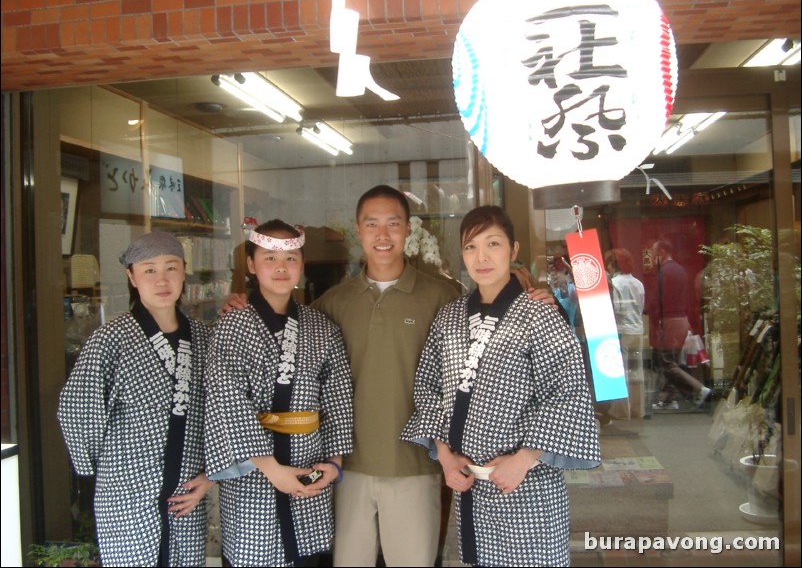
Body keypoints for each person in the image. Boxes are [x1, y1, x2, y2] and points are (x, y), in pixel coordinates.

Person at [221, 186, 555, 566]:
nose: (383, 235)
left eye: (393, 224)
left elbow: (452, 379)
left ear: (408, 230)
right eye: (372, 224)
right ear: (357, 231)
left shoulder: (444, 299)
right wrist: (242, 301)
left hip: (417, 466)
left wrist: (532, 296)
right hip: (346, 469)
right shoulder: (329, 305)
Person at [400, 205, 600, 567]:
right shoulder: (449, 316)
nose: (482, 257)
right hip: (469, 485)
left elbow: (568, 391)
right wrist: (445, 457)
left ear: (514, 249)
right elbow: (428, 386)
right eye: (471, 247)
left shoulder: (539, 315)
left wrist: (523, 460)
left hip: (525, 484)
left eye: (493, 243)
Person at [57, 232, 214, 567]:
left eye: (170, 268)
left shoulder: (203, 336)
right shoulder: (110, 339)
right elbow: (75, 410)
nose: (161, 280)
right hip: (126, 494)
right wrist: (109, 471)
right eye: (149, 270)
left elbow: (222, 411)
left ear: (184, 271)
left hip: (187, 492)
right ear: (131, 276)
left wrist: (211, 473)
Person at [204, 219, 354, 567]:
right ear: (252, 265)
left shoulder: (322, 327)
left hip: (309, 464)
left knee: (306, 555)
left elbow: (338, 399)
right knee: (255, 554)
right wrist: (272, 469)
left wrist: (333, 463)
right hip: (255, 474)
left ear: (302, 265)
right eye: (269, 258)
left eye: (291, 258)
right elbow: (227, 401)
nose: (281, 267)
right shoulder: (232, 325)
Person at [648, 239, 711, 410]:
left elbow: (658, 301)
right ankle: (668, 398)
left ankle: (697, 389)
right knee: (673, 360)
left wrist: (654, 320)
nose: (652, 258)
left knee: (666, 362)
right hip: (682, 320)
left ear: (661, 252)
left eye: (654, 254)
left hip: (669, 321)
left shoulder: (664, 272)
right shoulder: (681, 270)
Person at [605, 248, 646, 419]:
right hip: (637, 329)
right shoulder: (637, 283)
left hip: (621, 330)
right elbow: (642, 306)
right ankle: (638, 409)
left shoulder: (616, 283)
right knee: (637, 372)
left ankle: (621, 411)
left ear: (613, 264)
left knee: (620, 372)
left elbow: (617, 308)